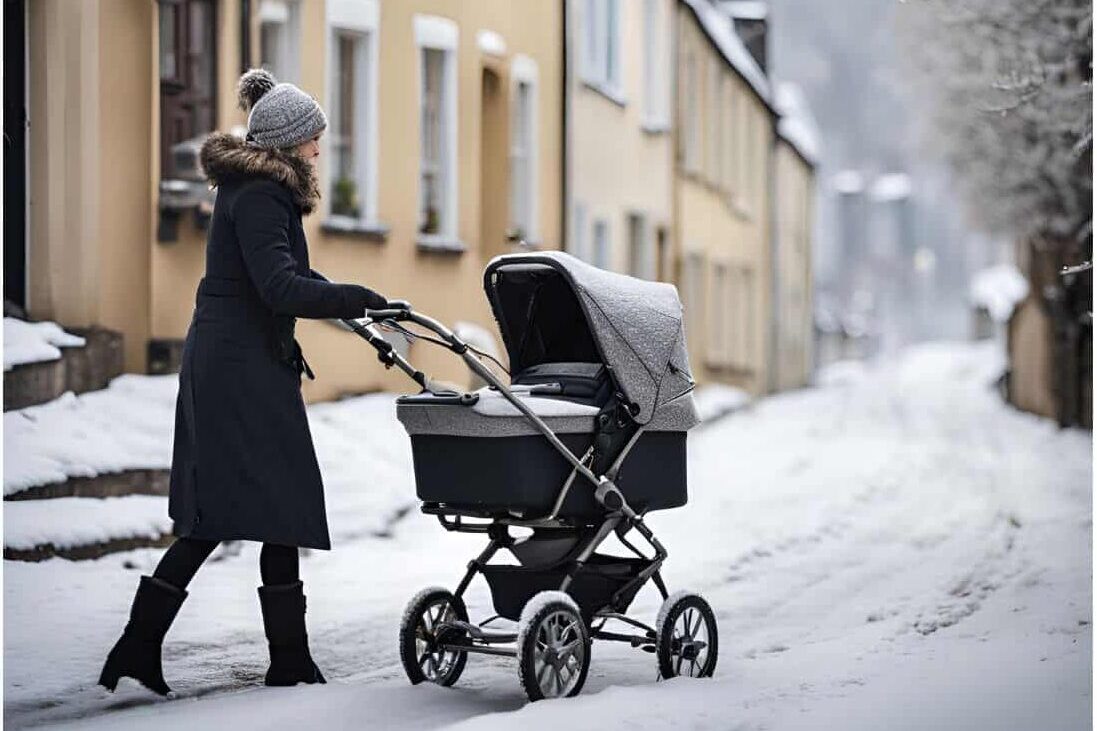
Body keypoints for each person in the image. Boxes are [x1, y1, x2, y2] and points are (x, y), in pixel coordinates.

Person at [98, 68, 389, 695]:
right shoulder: (259, 195)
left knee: (241, 511)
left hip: (246, 362)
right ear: (288, 142)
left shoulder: (259, 191)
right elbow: (278, 286)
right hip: (239, 371)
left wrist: (355, 311)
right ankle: (268, 658)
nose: (319, 148)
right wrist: (358, 298)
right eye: (314, 138)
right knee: (243, 509)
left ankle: (152, 646)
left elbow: (281, 284)